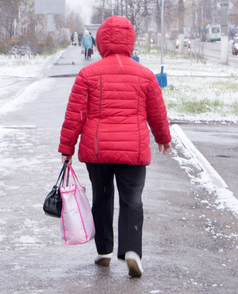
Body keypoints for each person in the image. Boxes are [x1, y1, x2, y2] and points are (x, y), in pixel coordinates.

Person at [58, 16, 172, 278]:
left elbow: (75, 114)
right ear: (130, 41)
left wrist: (67, 148)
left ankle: (105, 251)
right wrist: (163, 138)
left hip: (97, 151)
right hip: (133, 149)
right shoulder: (144, 75)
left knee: (102, 198)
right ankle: (132, 251)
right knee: (132, 200)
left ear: (100, 42)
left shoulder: (88, 74)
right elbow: (157, 112)